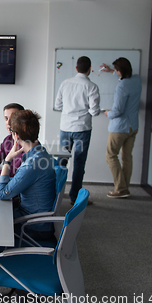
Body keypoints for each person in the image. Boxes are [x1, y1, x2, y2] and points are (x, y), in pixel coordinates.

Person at [0, 110, 56, 242]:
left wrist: (8, 160)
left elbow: (3, 193)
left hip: (33, 227)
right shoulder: (41, 153)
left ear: (16, 136)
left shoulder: (31, 164)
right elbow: (18, 181)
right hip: (38, 220)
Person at [55, 56, 100, 205]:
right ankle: (74, 198)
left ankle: (54, 194)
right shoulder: (92, 86)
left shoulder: (65, 83)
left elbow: (58, 105)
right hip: (82, 129)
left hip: (66, 127)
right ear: (90, 69)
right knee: (79, 164)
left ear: (76, 68)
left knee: (61, 161)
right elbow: (94, 112)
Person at [100, 58, 142, 198]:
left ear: (120, 71)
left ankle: (120, 188)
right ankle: (124, 188)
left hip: (120, 127)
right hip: (133, 126)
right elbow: (125, 76)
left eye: (116, 70)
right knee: (126, 157)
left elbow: (117, 110)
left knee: (111, 155)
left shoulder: (122, 86)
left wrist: (107, 113)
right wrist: (111, 71)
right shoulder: (137, 79)